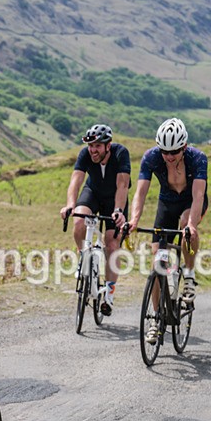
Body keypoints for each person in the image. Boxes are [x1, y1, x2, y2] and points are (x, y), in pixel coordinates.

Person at [129, 117, 208, 303]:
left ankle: (189, 274)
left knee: (186, 225)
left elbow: (198, 195)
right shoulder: (151, 157)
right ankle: (157, 316)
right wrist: (134, 220)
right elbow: (140, 193)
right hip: (167, 202)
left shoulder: (198, 158)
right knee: (157, 260)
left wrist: (192, 225)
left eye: (174, 151)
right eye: (165, 151)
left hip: (191, 201)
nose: (169, 156)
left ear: (184, 146)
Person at [60, 124, 131, 316]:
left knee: (112, 244)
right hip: (93, 193)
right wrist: (70, 205)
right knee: (78, 221)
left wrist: (118, 210)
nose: (93, 150)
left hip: (115, 198)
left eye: (97, 146)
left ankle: (109, 293)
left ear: (108, 145)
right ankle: (83, 255)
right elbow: (76, 181)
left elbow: (123, 185)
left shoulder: (120, 153)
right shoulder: (85, 154)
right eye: (91, 146)